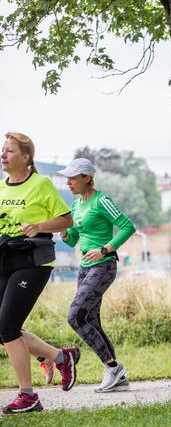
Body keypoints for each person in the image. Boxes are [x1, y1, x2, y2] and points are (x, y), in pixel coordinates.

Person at [0, 132, 78, 414]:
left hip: (32, 263)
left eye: (9, 151)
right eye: (3, 150)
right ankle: (60, 356)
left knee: (7, 327)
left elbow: (67, 219)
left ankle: (28, 396)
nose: (3, 155)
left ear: (26, 157)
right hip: (5, 261)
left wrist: (40, 226)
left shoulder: (41, 184)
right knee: (2, 329)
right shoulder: (1, 187)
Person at [57, 158, 136, 392]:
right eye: (67, 178)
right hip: (84, 267)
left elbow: (128, 226)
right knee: (90, 320)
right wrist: (63, 232)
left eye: (73, 178)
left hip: (103, 265)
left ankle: (113, 367)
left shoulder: (102, 200)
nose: (68, 182)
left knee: (75, 317)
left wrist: (105, 249)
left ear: (87, 178)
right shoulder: (75, 204)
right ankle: (118, 378)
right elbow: (72, 238)